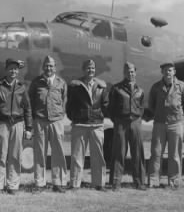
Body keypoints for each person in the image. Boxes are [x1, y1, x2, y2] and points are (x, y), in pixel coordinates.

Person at [0, 58, 32, 195]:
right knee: (0, 155)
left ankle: (12, 185)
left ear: (18, 71)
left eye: (16, 69)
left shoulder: (22, 87)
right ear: (6, 69)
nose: (13, 71)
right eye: (11, 68)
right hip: (1, 123)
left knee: (15, 155)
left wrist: (29, 128)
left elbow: (27, 108)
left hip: (18, 124)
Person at [146, 61, 184, 189]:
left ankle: (174, 181)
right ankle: (154, 180)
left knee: (175, 154)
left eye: (170, 70)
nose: (168, 72)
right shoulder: (156, 87)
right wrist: (159, 114)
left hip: (176, 124)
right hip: (159, 124)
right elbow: (151, 105)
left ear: (174, 72)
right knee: (156, 152)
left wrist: (179, 115)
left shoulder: (182, 87)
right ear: (162, 72)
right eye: (165, 70)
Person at [66, 59, 109, 191]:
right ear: (83, 69)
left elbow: (105, 105)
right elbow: (69, 106)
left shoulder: (101, 86)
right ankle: (75, 184)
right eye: (88, 68)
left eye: (93, 68)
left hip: (96, 125)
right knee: (77, 157)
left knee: (98, 157)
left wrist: (100, 116)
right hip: (80, 125)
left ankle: (99, 183)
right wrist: (75, 117)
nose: (91, 70)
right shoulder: (75, 86)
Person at [28, 55, 68, 193]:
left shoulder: (61, 83)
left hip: (56, 121)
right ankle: (39, 183)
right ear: (43, 67)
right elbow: (30, 102)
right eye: (46, 65)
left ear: (55, 67)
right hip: (40, 121)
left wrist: (59, 115)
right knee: (40, 153)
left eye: (51, 65)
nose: (48, 68)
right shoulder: (36, 83)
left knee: (58, 152)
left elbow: (64, 101)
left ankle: (59, 182)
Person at [108, 62, 146, 191]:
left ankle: (140, 182)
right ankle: (116, 182)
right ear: (124, 73)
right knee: (119, 152)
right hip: (121, 123)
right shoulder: (116, 89)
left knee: (138, 153)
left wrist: (137, 118)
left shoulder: (140, 90)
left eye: (132, 71)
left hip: (135, 122)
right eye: (128, 71)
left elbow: (141, 108)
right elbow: (111, 108)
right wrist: (118, 120)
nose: (130, 73)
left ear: (135, 72)